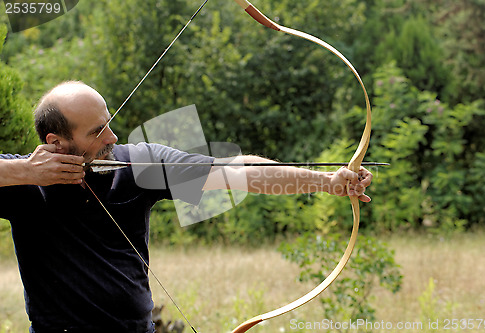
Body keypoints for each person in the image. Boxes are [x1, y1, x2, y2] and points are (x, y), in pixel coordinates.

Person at [0, 81, 372, 332]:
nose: (113, 137)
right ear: (56, 141)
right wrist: (23, 171)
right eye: (97, 131)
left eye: (109, 124)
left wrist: (324, 182)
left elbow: (235, 173)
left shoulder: (137, 166)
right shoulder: (23, 184)